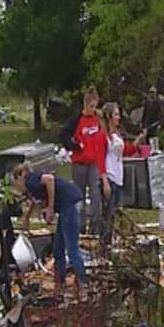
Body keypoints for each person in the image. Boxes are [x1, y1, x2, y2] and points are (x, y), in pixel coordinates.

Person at [13, 164, 87, 298]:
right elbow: (36, 200)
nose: (17, 188)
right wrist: (27, 218)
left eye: (15, 184)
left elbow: (49, 180)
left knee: (72, 249)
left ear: (19, 177)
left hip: (69, 205)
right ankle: (60, 283)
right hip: (68, 205)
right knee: (58, 248)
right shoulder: (33, 185)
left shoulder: (30, 180)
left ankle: (82, 285)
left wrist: (51, 208)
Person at [62, 88, 110, 235]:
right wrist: (75, 146)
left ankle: (96, 227)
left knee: (96, 194)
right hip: (79, 163)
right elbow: (64, 135)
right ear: (85, 104)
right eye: (91, 106)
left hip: (93, 162)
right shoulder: (77, 119)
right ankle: (80, 226)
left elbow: (103, 139)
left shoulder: (97, 120)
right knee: (79, 195)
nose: (93, 109)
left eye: (95, 106)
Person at [102, 103, 144, 239]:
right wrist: (104, 179)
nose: (118, 117)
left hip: (118, 177)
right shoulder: (104, 135)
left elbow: (125, 150)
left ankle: (110, 239)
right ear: (109, 117)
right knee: (108, 213)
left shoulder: (117, 134)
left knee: (115, 212)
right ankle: (104, 240)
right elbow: (99, 157)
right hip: (110, 176)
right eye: (116, 114)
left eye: (118, 114)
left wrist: (139, 140)